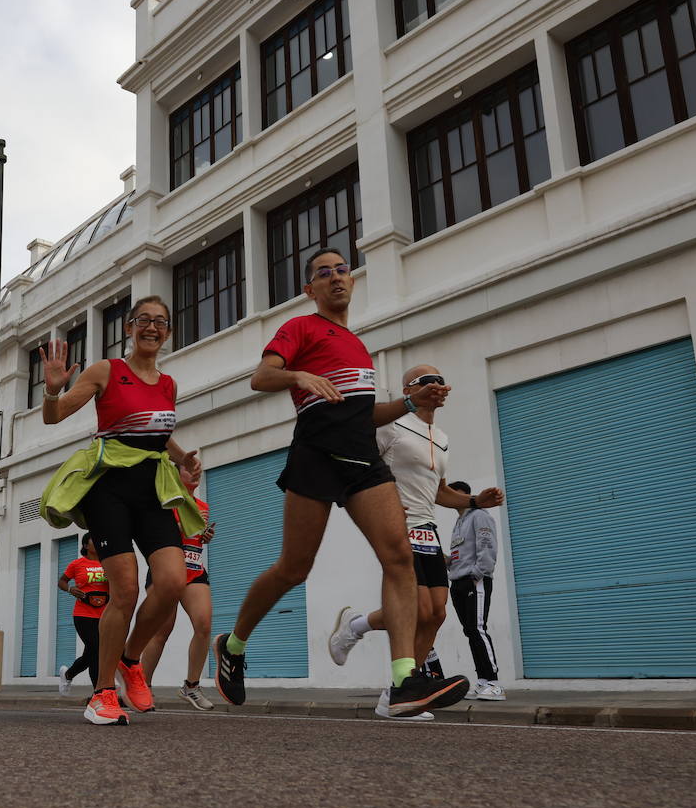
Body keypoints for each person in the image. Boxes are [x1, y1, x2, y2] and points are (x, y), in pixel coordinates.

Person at [210, 249, 469, 719]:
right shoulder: (301, 329)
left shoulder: (357, 344)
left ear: (353, 281)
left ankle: (404, 680)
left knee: (398, 556)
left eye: (342, 270)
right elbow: (260, 377)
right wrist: (298, 374)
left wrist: (411, 404)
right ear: (310, 289)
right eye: (323, 274)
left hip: (363, 459)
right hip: (316, 453)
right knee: (294, 568)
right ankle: (232, 644)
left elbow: (364, 415)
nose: (335, 278)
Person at [38, 295, 205, 726]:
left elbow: (156, 433)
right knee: (126, 590)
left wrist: (182, 457)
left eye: (161, 322)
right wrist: (53, 389)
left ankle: (130, 660)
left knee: (170, 581)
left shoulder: (168, 384)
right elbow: (54, 418)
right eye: (143, 320)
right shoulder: (106, 371)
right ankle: (102, 693)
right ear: (128, 328)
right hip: (108, 487)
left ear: (168, 332)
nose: (152, 327)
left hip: (150, 486)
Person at [327, 366, 506, 719]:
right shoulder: (389, 425)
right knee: (415, 609)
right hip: (396, 524)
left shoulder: (440, 436)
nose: (437, 385)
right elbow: (357, 463)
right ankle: (381, 659)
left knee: (435, 613)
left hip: (427, 527)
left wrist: (474, 502)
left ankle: (394, 689)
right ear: (410, 388)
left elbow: (438, 492)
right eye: (427, 380)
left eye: (441, 379)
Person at [140, 469, 217, 712]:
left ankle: (191, 686)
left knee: (204, 625)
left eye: (199, 470)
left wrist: (205, 536)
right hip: (166, 569)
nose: (196, 473)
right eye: (189, 469)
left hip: (194, 568)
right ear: (175, 475)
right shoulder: (166, 501)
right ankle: (141, 687)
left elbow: (195, 538)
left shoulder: (202, 505)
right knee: (161, 631)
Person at [445, 480, 505, 701]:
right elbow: (462, 555)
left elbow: (487, 545)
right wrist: (446, 561)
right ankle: (482, 682)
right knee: (470, 631)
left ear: (464, 494)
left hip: (474, 581)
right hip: (458, 582)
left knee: (478, 629)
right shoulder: (459, 522)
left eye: (453, 492)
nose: (449, 496)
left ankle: (494, 683)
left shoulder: (479, 515)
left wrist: (477, 574)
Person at [56, 533, 107, 696]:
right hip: (83, 614)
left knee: (91, 652)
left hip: (106, 613)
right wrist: (70, 589)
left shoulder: (108, 562)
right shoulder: (77, 564)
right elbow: (62, 581)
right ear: (86, 545)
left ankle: (68, 674)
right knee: (96, 649)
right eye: (94, 540)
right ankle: (98, 693)